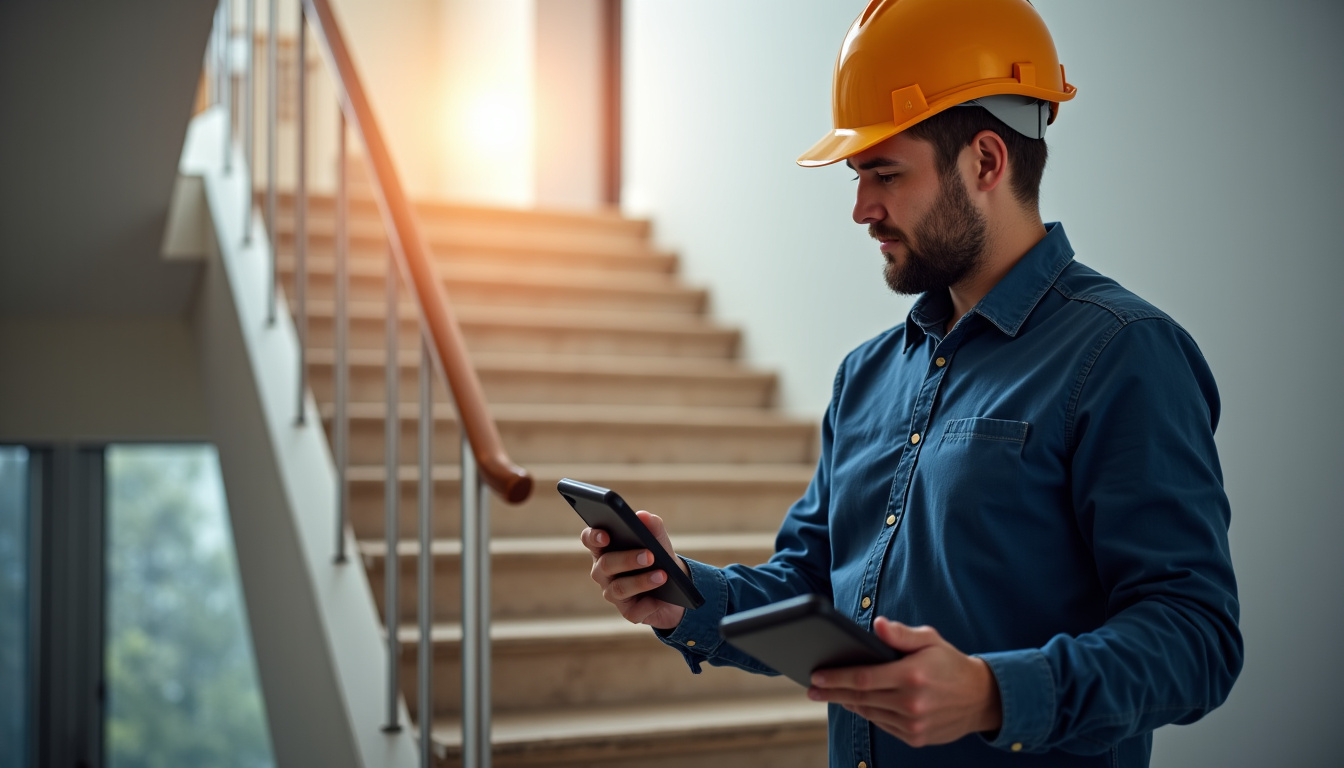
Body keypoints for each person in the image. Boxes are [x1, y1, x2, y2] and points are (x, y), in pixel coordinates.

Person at [580, 0, 1242, 765]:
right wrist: (684, 595)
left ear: (986, 162)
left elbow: (1195, 639)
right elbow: (814, 595)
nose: (862, 209)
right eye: (859, 177)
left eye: (885, 173)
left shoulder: (1124, 353)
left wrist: (995, 693)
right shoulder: (866, 376)